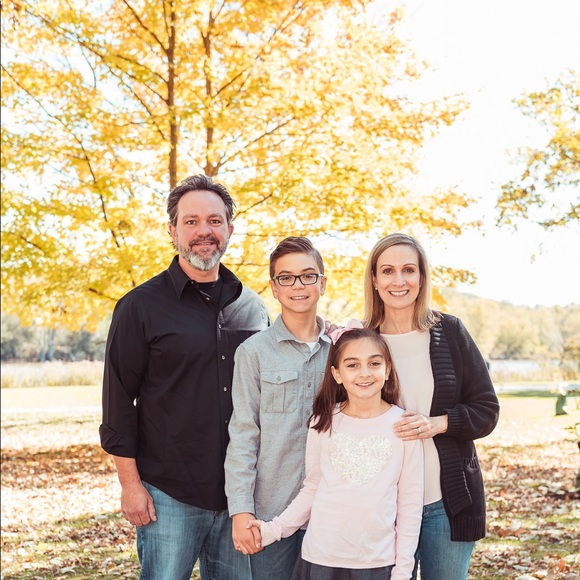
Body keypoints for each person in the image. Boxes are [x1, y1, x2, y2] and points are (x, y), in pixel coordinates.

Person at [99, 174, 270, 580]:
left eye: (214, 220)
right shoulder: (140, 306)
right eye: (191, 221)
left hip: (240, 496)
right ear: (172, 230)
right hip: (168, 493)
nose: (203, 231)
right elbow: (118, 401)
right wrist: (130, 485)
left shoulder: (252, 307)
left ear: (230, 228)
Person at [363, 232, 500, 580]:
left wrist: (438, 423)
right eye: (388, 270)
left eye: (409, 270)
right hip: (384, 507)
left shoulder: (449, 332)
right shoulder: (361, 341)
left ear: (422, 277)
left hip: (447, 503)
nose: (399, 280)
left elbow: (487, 409)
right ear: (374, 279)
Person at [247, 322, 424, 580]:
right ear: (337, 374)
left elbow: (410, 505)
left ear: (387, 369)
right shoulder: (323, 421)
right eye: (352, 365)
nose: (364, 373)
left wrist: (403, 571)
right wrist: (273, 530)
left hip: (377, 562)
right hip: (320, 558)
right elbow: (312, 487)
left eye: (374, 363)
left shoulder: (404, 426)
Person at [224, 236, 331, 579]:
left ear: (322, 283)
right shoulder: (253, 353)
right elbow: (243, 435)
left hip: (332, 514)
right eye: (286, 277)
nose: (298, 285)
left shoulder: (342, 351)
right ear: (273, 287)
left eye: (308, 275)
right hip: (271, 514)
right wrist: (241, 509)